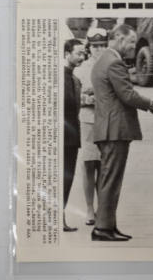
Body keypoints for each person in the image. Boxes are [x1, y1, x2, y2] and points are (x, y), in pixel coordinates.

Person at [90, 24, 153, 241]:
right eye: (131, 42)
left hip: (108, 128)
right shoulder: (114, 63)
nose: (133, 47)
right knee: (111, 180)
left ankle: (108, 226)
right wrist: (151, 103)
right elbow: (128, 95)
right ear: (119, 38)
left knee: (108, 178)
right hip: (115, 130)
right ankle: (103, 228)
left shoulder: (103, 60)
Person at [73, 28, 108, 226]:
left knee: (104, 165)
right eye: (95, 46)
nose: (98, 50)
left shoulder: (112, 66)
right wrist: (87, 97)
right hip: (87, 119)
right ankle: (89, 208)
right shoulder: (81, 69)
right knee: (88, 164)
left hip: (107, 122)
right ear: (89, 47)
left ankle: (103, 207)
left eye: (102, 45)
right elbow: (74, 96)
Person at [63, 38, 86, 232]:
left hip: (72, 137)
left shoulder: (75, 79)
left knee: (67, 178)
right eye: (78, 53)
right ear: (66, 54)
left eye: (83, 53)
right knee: (60, 177)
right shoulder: (58, 78)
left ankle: (59, 217)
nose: (82, 56)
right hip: (60, 136)